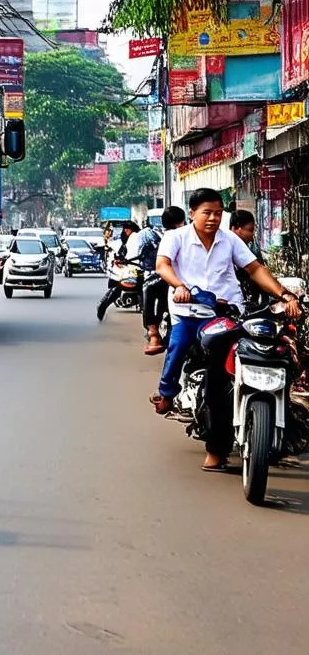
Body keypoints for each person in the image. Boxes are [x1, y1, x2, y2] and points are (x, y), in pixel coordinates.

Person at [150, 188, 299, 472]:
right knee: (181, 348)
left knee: (251, 360)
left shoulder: (229, 240)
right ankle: (168, 394)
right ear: (192, 213)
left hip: (227, 313)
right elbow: (162, 265)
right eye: (207, 212)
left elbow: (254, 269)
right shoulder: (176, 237)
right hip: (189, 311)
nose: (213, 218)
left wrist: (283, 294)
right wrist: (179, 286)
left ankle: (275, 431)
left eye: (218, 213)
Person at [135, 206, 185, 355]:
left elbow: (161, 265)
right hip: (178, 278)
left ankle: (153, 333)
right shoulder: (173, 234)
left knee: (148, 288)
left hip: (178, 278)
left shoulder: (169, 235)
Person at [95, 221, 140, 321]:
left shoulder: (133, 238)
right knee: (119, 284)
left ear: (129, 230)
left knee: (119, 285)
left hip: (136, 269)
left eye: (126, 229)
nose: (124, 231)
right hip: (134, 269)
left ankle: (104, 305)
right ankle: (104, 304)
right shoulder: (132, 238)